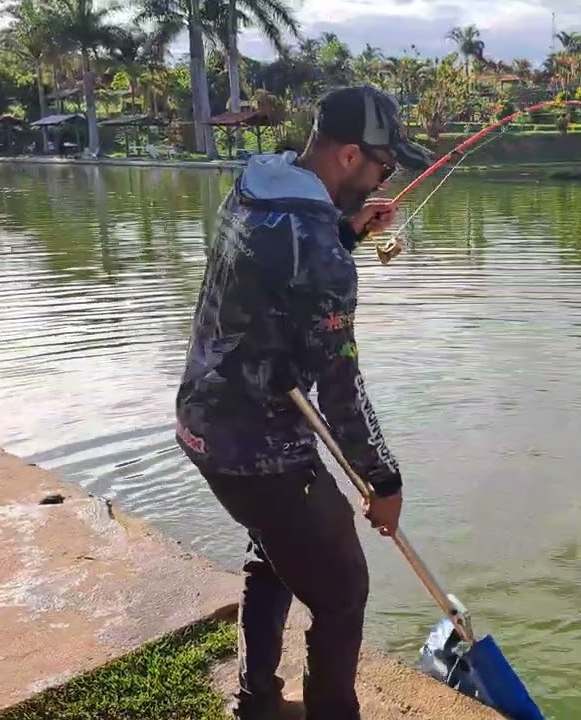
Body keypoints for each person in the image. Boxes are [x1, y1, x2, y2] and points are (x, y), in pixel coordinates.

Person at [173, 85, 435, 719]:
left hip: (201, 423)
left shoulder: (259, 183)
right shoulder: (318, 253)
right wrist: (383, 477)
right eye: (383, 165)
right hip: (261, 449)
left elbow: (277, 270)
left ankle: (256, 701)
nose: (385, 178)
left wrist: (344, 230)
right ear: (350, 156)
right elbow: (342, 385)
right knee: (343, 592)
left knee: (273, 551)